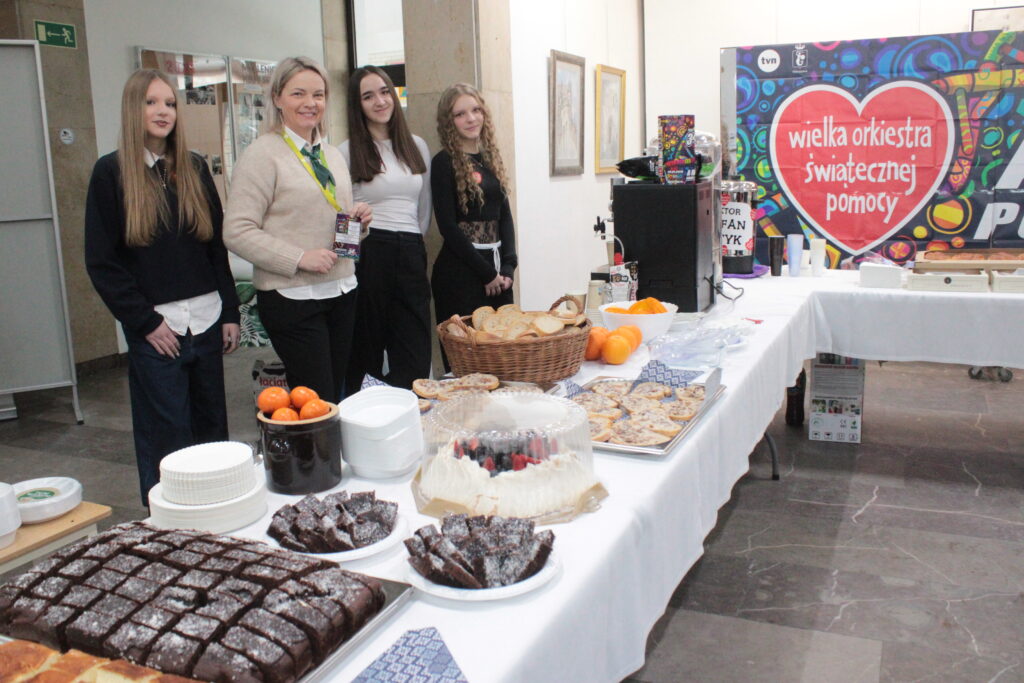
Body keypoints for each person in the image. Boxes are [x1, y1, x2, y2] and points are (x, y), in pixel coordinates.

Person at [85, 69, 240, 505]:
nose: (162, 111)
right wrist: (145, 322)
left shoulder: (194, 167)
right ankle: (170, 524)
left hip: (206, 320)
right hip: (158, 330)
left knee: (212, 428)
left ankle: (217, 512)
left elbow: (215, 249)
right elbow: (102, 262)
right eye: (151, 102)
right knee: (167, 434)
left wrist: (230, 311)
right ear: (132, 109)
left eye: (170, 103)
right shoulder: (111, 172)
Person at [223, 56, 372, 402]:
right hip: (294, 297)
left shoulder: (331, 154)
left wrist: (359, 224)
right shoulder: (262, 155)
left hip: (341, 289)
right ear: (277, 98)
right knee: (316, 400)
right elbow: (236, 230)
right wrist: (298, 257)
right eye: (298, 94)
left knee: (336, 395)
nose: (310, 103)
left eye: (318, 95)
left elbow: (330, 219)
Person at [340, 66, 432, 394]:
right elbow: (342, 218)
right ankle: (366, 417)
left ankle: (407, 413)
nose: (380, 101)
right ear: (357, 105)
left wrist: (412, 246)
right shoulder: (346, 151)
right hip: (370, 253)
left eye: (384, 92)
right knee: (365, 352)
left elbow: (424, 208)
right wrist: (349, 263)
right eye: (368, 96)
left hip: (410, 252)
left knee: (415, 354)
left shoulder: (416, 145)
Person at [431, 83, 517, 338]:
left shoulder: (490, 158)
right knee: (466, 350)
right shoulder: (443, 162)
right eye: (460, 114)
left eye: (476, 110)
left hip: (498, 271)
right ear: (449, 122)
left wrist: (508, 266)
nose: (471, 118)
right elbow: (447, 226)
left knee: (504, 347)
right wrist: (486, 273)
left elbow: (504, 216)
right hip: (461, 272)